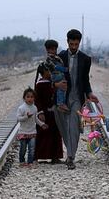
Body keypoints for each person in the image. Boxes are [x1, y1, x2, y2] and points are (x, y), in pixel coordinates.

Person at [55, 29, 98, 170]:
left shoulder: (86, 59)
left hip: (76, 97)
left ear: (79, 43)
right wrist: (56, 85)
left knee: (73, 125)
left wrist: (89, 93)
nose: (74, 47)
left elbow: (85, 79)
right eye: (72, 44)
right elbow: (52, 77)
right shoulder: (59, 57)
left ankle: (71, 157)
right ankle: (70, 151)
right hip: (62, 97)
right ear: (67, 42)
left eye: (76, 44)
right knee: (63, 126)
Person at [34, 62, 64, 164]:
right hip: (45, 114)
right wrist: (40, 112)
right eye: (48, 71)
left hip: (54, 113)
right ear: (44, 72)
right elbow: (37, 100)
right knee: (44, 134)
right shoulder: (40, 84)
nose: (51, 73)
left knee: (56, 134)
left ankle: (55, 156)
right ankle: (41, 156)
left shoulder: (52, 83)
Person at [17, 87, 48, 166]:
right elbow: (18, 119)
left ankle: (30, 162)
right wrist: (26, 117)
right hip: (23, 132)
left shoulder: (34, 108)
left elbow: (35, 119)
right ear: (24, 98)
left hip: (32, 132)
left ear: (34, 98)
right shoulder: (21, 108)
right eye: (28, 97)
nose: (30, 99)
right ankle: (22, 161)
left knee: (32, 148)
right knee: (23, 149)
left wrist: (42, 124)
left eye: (32, 97)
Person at [44, 39, 69, 113]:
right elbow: (55, 67)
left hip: (59, 74)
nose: (54, 51)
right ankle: (60, 104)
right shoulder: (49, 59)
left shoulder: (55, 57)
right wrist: (65, 69)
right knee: (61, 87)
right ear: (47, 50)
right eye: (52, 49)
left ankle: (61, 103)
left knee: (62, 88)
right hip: (56, 75)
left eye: (55, 49)